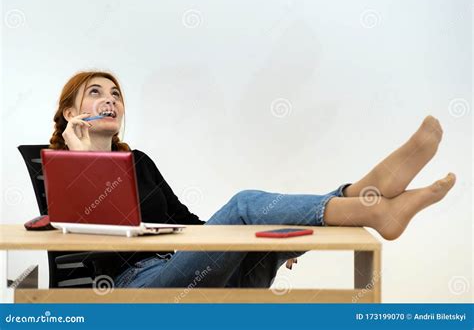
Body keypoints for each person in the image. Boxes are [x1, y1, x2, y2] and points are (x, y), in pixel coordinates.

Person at [49, 71, 456, 288]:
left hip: (198, 279)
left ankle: (363, 194)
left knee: (267, 232)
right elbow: (89, 235)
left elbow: (189, 222)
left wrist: (244, 240)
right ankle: (368, 198)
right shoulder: (59, 168)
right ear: (71, 112)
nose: (110, 100)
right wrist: (83, 160)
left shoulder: (138, 161)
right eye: (96, 93)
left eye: (117, 94)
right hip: (140, 291)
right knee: (245, 204)